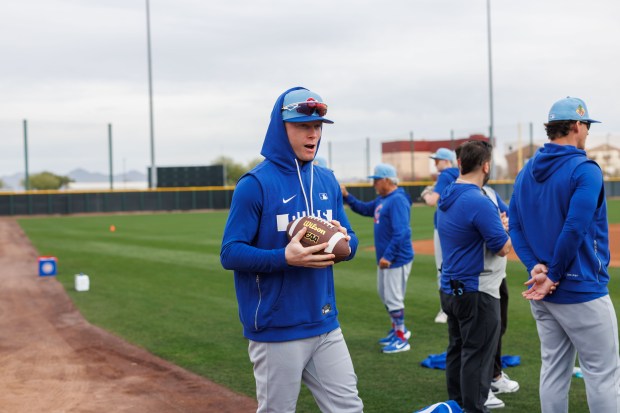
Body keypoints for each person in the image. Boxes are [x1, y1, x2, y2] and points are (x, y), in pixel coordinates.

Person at [220, 87, 364, 413]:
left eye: (318, 126)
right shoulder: (255, 184)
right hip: (277, 328)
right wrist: (284, 258)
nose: (313, 134)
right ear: (280, 128)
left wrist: (345, 243)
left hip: (325, 322)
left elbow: (350, 240)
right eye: (303, 126)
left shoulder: (326, 180)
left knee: (349, 409)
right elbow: (230, 252)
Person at [509, 96, 620, 413]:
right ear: (575, 126)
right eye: (586, 126)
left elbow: (514, 225)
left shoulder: (527, 169)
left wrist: (536, 269)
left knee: (554, 372)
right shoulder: (585, 169)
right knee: (603, 376)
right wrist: (553, 274)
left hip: (543, 291)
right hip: (581, 289)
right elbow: (574, 227)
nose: (587, 133)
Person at [437, 140, 512, 413]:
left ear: (459, 164)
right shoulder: (478, 200)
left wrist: (495, 227)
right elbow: (502, 247)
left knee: (458, 350)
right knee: (477, 357)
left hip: (450, 288)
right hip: (477, 290)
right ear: (486, 166)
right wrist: (504, 229)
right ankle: (472, 408)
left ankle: (455, 406)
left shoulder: (448, 193)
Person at [341, 163, 414, 354]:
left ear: (387, 180)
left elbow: (402, 232)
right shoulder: (384, 198)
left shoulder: (397, 200)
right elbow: (364, 209)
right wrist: (347, 197)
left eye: (376, 180)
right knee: (385, 296)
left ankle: (401, 339)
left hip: (396, 259)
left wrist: (388, 256)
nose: (374, 184)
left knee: (394, 298)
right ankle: (397, 330)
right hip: (387, 259)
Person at [421, 148, 459, 324]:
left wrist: (427, 193)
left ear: (446, 161)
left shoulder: (444, 175)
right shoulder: (460, 173)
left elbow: (431, 201)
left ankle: (446, 310)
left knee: (443, 268)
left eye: (437, 160)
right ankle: (458, 305)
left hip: (444, 227)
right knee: (458, 267)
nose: (435, 163)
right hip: (460, 226)